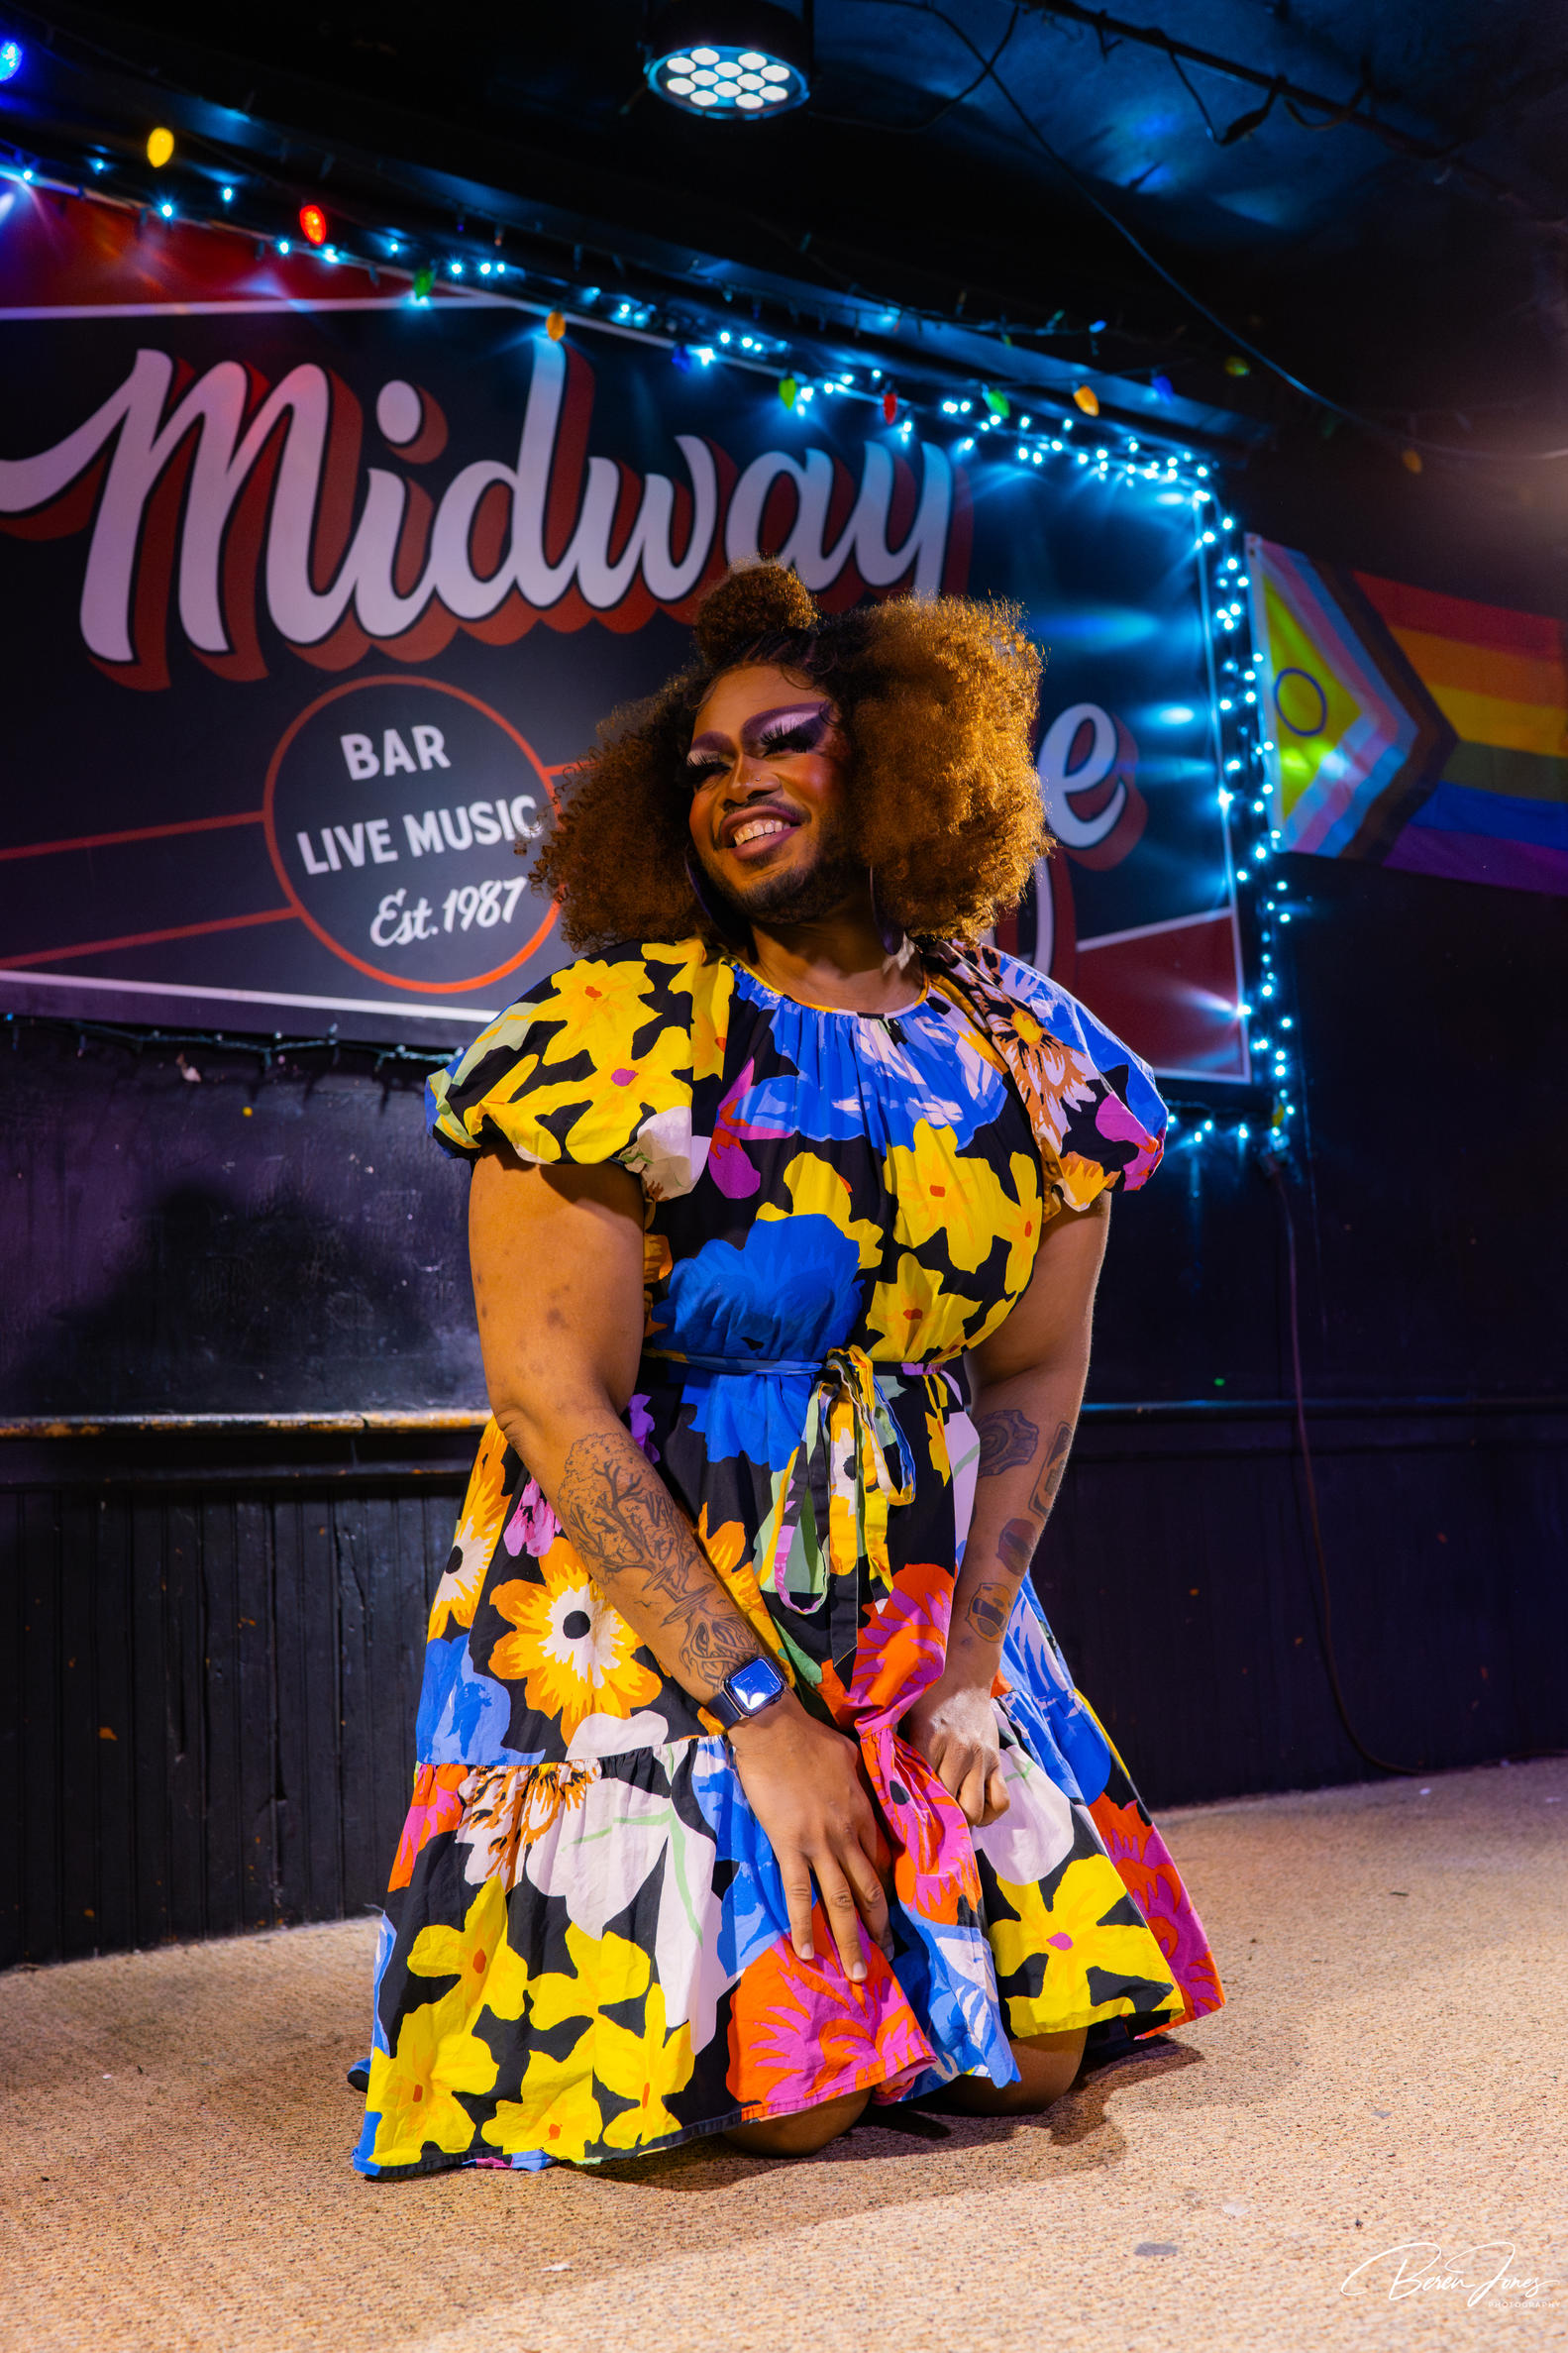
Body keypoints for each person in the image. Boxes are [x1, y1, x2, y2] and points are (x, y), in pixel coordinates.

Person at [353, 562, 1224, 2180]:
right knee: (796, 2087)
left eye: (784, 741)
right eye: (704, 763)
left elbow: (1035, 1373)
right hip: (657, 1599)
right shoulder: (612, 1034)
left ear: (901, 757)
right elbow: (550, 1396)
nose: (735, 783)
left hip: (913, 1598)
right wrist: (756, 1715)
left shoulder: (1032, 1051)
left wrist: (973, 1664)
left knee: (1030, 2062)